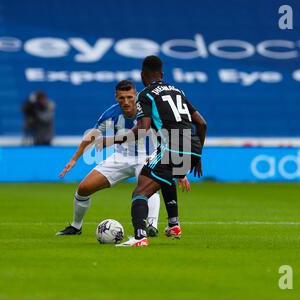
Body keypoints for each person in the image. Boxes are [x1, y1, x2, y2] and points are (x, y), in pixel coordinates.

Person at [56, 80, 190, 237]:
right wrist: (74, 159)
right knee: (84, 189)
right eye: (121, 98)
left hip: (148, 157)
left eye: (129, 97)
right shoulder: (111, 114)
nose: (126, 102)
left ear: (136, 95)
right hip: (120, 158)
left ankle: (151, 225)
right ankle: (76, 226)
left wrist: (179, 169)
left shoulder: (150, 109)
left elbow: (170, 135)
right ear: (116, 97)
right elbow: (92, 135)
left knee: (148, 187)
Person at [116, 56, 207, 247]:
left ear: (142, 75)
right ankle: (174, 225)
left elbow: (143, 128)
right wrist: (197, 156)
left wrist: (117, 138)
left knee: (140, 192)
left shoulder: (146, 94)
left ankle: (140, 238)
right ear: (162, 74)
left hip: (172, 146)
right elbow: (201, 122)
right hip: (194, 145)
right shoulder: (177, 91)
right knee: (165, 177)